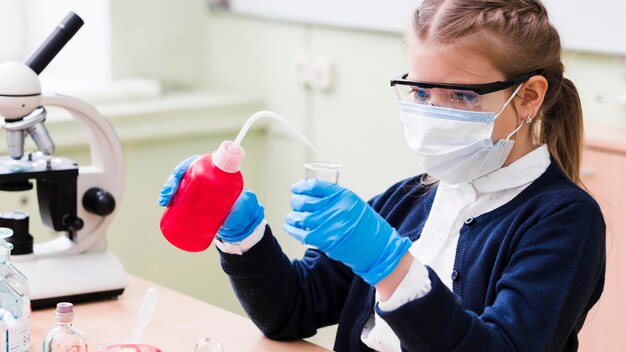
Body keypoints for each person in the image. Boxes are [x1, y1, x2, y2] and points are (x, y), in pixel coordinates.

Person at [158, 0, 606, 350]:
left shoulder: (565, 221)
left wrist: (392, 268)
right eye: (421, 92)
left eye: (461, 96)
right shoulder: (408, 200)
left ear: (528, 97)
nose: (434, 113)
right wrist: (242, 231)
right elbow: (290, 310)